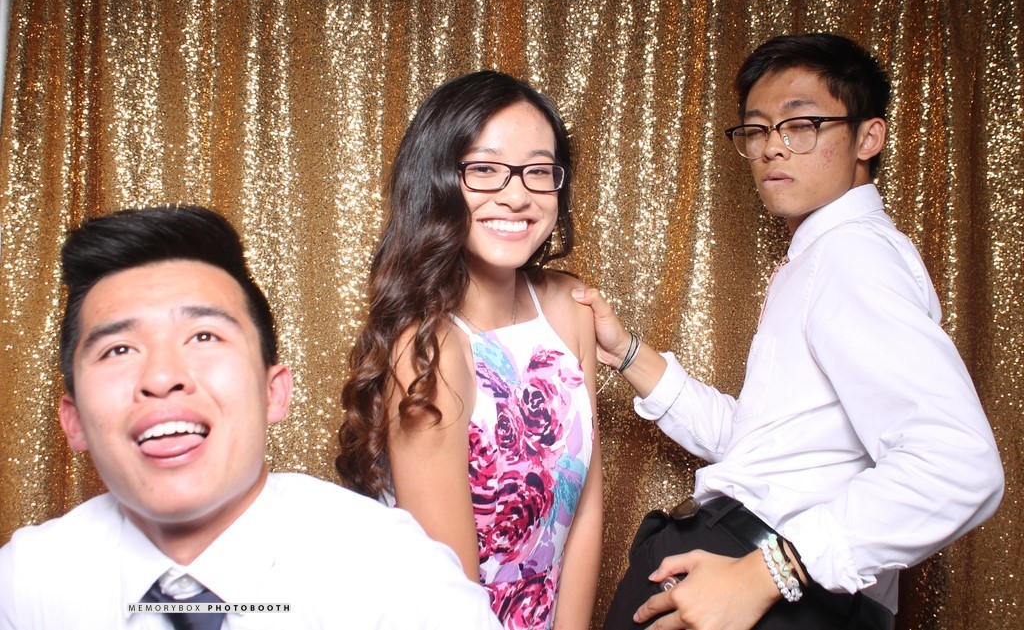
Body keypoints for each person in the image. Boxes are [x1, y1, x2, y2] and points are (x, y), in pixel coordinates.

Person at [573, 33, 1004, 630]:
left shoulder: (850, 254)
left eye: (801, 125)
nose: (773, 147)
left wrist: (768, 573)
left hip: (767, 583)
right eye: (757, 129)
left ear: (868, 137)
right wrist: (626, 352)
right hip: (741, 565)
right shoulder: (822, 255)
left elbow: (957, 463)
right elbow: (771, 447)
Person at [0, 205, 502, 629]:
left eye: (203, 337)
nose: (162, 376)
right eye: (118, 349)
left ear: (273, 392)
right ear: (74, 421)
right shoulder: (25, 586)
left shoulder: (394, 572)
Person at [335, 70, 602, 629]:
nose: (516, 195)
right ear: (436, 180)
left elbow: (584, 506)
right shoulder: (427, 351)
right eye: (483, 169)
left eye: (538, 170)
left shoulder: (570, 306)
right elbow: (449, 598)